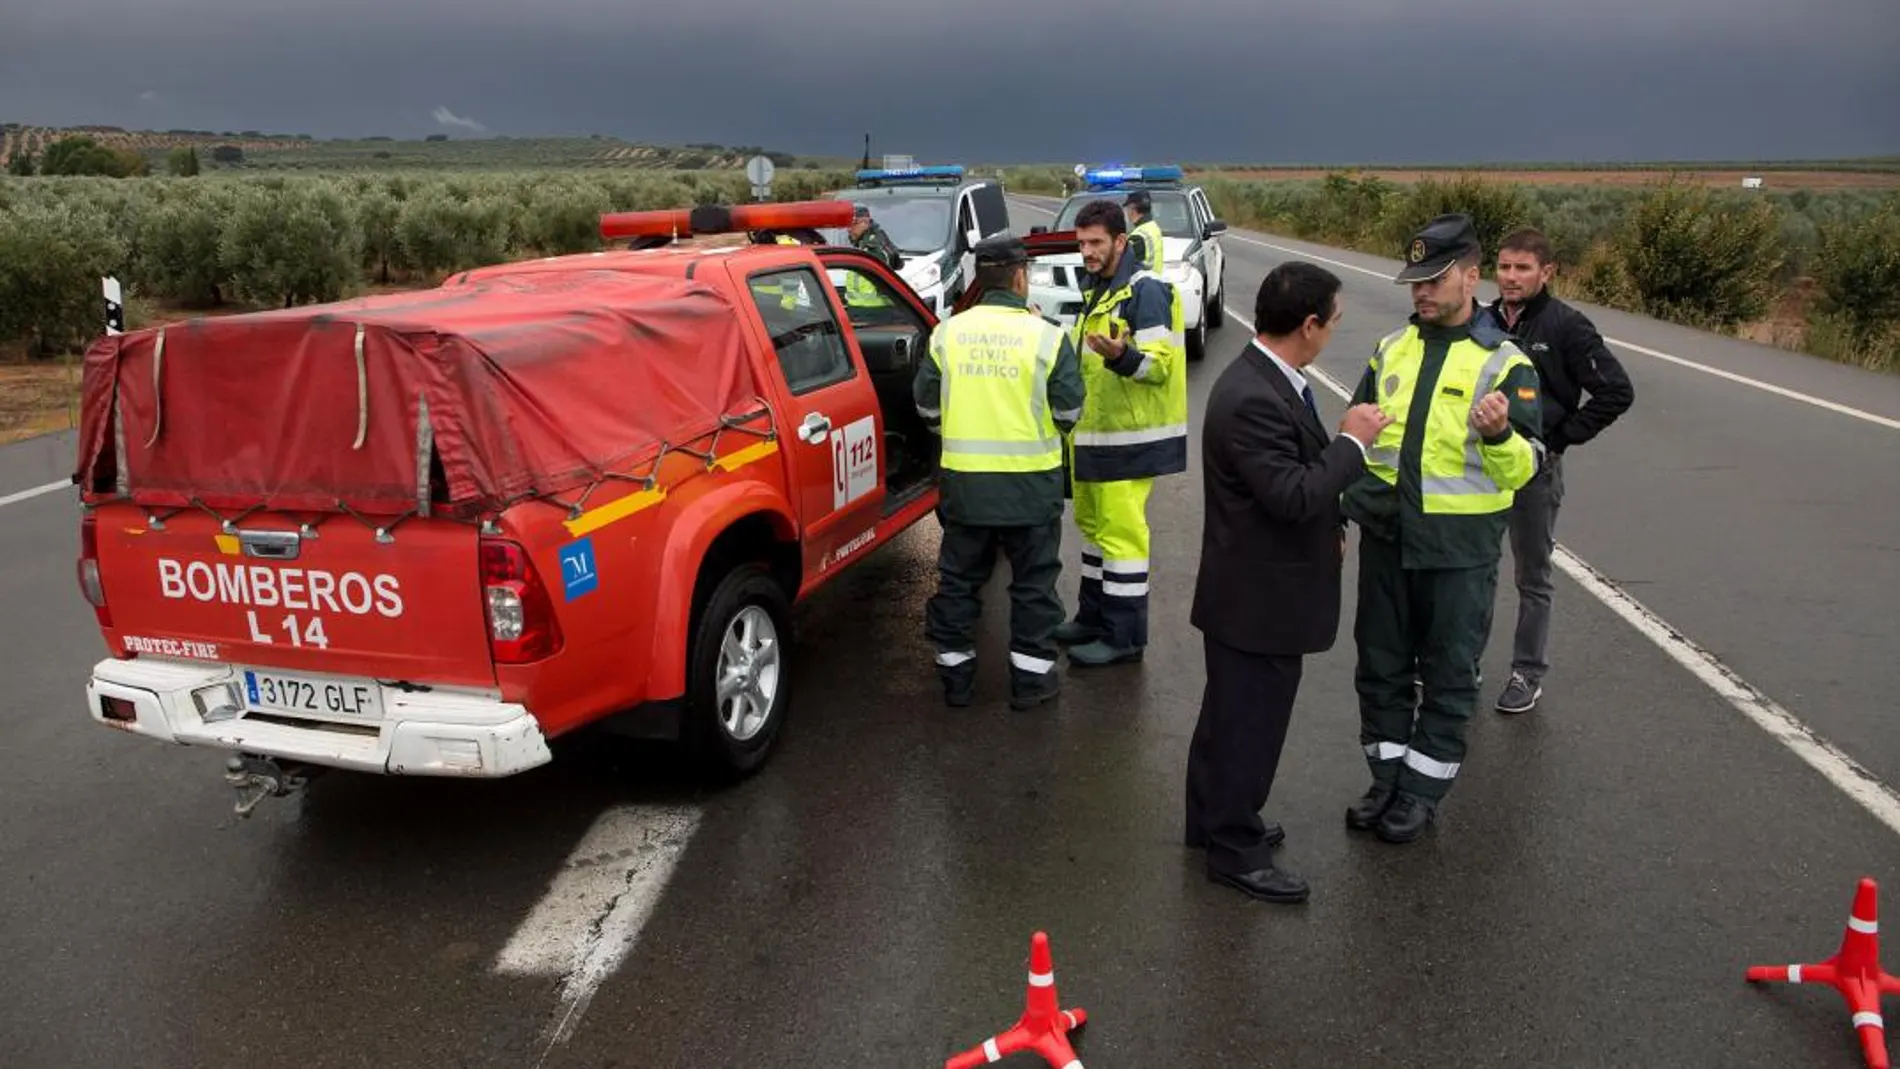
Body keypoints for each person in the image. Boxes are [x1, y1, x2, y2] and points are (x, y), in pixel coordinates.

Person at [1186, 263, 1391, 903]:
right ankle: (1234, 848)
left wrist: (1330, 518)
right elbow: (1292, 493)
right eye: (1332, 322)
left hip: (1251, 591)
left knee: (1227, 716)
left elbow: (1292, 485)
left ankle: (1210, 821)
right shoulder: (1252, 397)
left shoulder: (1274, 381)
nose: (1333, 332)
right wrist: (1352, 445)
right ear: (1308, 325)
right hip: (1258, 600)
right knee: (1250, 725)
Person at [1340, 212, 1545, 844]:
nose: (1422, 292)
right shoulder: (1390, 349)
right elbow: (1358, 437)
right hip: (1387, 539)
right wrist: (1340, 505)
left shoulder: (1504, 364)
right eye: (1415, 282)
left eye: (1435, 279)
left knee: (1450, 674)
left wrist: (1500, 434)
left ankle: (1423, 792)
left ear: (1471, 277)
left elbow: (1526, 467)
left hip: (1457, 551)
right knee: (1380, 666)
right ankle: (1386, 777)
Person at [915, 235, 1088, 710]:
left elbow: (926, 406)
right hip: (1031, 488)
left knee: (958, 582)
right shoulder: (1048, 336)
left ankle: (957, 682)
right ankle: (1031, 684)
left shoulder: (947, 333)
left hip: (965, 487)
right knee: (1033, 586)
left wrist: (959, 431)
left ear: (978, 280)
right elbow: (1070, 411)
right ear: (1019, 278)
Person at [1484, 227, 1634, 714]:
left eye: (1522, 268)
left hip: (1535, 471)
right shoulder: (1481, 321)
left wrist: (1561, 437)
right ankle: (1461, 663)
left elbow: (1616, 390)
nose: (1510, 277)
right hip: (1482, 465)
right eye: (1504, 266)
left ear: (1546, 272)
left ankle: (1527, 673)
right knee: (1475, 569)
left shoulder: (1567, 326)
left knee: (1532, 575)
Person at [1058, 199, 1188, 667]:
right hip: (1095, 436)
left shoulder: (1144, 291)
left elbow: (1159, 366)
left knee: (1123, 539)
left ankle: (1124, 638)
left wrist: (1121, 357)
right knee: (1092, 531)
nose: (1087, 252)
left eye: (1095, 242)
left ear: (1120, 240)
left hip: (1128, 440)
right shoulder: (1099, 288)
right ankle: (1092, 618)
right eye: (1081, 244)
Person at [848, 204, 903, 270]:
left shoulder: (873, 249)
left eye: (854, 223)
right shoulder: (859, 242)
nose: (849, 229)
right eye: (848, 224)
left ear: (865, 223)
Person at [1125, 189, 1165, 275]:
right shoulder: (1153, 227)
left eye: (1127, 208)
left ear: (1133, 209)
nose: (1127, 213)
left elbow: (1126, 267)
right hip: (1156, 282)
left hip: (1141, 285)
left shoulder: (1137, 236)